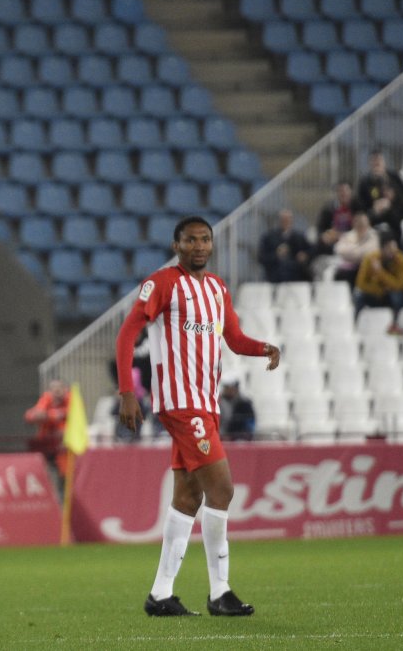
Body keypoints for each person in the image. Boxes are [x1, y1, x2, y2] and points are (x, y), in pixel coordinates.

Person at [114, 216, 281, 618]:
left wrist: (264, 348)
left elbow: (235, 339)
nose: (200, 246)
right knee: (222, 490)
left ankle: (160, 595)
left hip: (206, 405)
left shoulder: (218, 289)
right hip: (181, 404)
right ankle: (219, 592)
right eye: (191, 240)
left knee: (189, 497)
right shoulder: (163, 283)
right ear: (177, 245)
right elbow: (126, 334)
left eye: (205, 239)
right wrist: (126, 392)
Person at [354, 232, 403, 315]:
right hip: (375, 292)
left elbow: (399, 285)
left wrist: (380, 272)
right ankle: (357, 323)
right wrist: (380, 290)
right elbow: (360, 283)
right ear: (382, 249)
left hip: (394, 292)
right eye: (389, 248)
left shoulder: (401, 259)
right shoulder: (370, 259)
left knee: (396, 296)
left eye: (394, 248)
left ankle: (397, 324)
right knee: (358, 295)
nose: (393, 251)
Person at [25, 379, 70, 476]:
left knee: (65, 472)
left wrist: (49, 415)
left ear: (65, 390)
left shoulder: (70, 400)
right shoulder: (46, 398)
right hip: (46, 442)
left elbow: (69, 413)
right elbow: (31, 415)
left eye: (60, 388)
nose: (57, 391)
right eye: (54, 389)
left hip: (64, 445)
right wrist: (44, 415)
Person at [258, 209, 311, 282]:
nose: (286, 221)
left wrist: (305, 255)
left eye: (288, 219)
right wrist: (276, 254)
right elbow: (261, 258)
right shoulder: (269, 237)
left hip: (297, 277)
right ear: (279, 221)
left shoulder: (300, 237)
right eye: (283, 219)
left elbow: (311, 251)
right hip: (275, 276)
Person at [333, 211, 380, 285]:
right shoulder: (348, 235)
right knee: (340, 273)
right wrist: (359, 249)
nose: (361, 226)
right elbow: (339, 250)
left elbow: (370, 252)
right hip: (350, 269)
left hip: (367, 268)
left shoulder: (373, 235)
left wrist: (353, 250)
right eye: (358, 224)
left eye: (363, 224)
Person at [218, 376, 256, 441]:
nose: (229, 390)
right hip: (221, 436)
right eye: (226, 388)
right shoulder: (219, 402)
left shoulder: (244, 403)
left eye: (231, 388)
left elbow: (250, 423)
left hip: (239, 438)